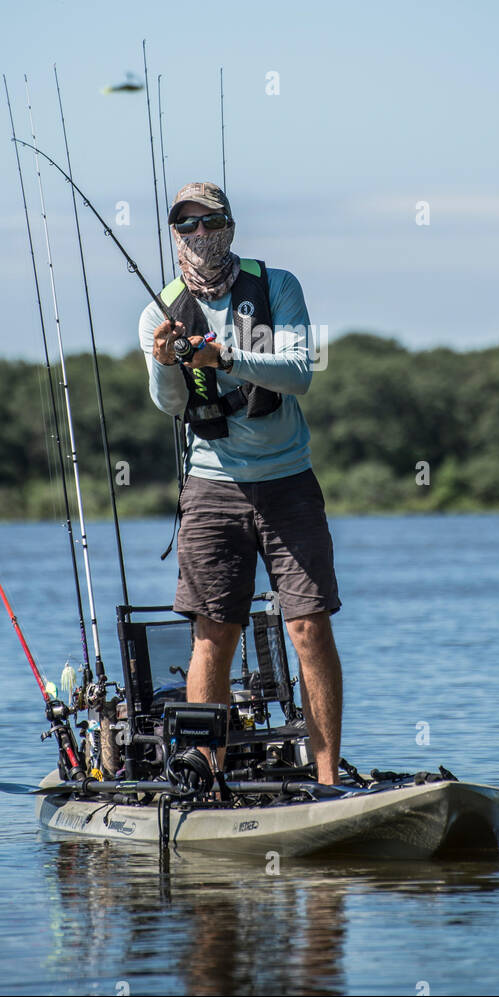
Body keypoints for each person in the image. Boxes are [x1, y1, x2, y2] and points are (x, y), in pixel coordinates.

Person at [138, 180, 343, 784]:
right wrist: (165, 359)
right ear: (175, 236)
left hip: (288, 480)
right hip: (209, 489)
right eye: (185, 226)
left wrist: (224, 356)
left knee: (308, 625)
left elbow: (300, 373)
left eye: (209, 223)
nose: (199, 235)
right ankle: (206, 774)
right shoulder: (160, 308)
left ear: (229, 225)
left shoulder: (277, 286)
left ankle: (327, 780)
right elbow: (169, 404)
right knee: (214, 634)